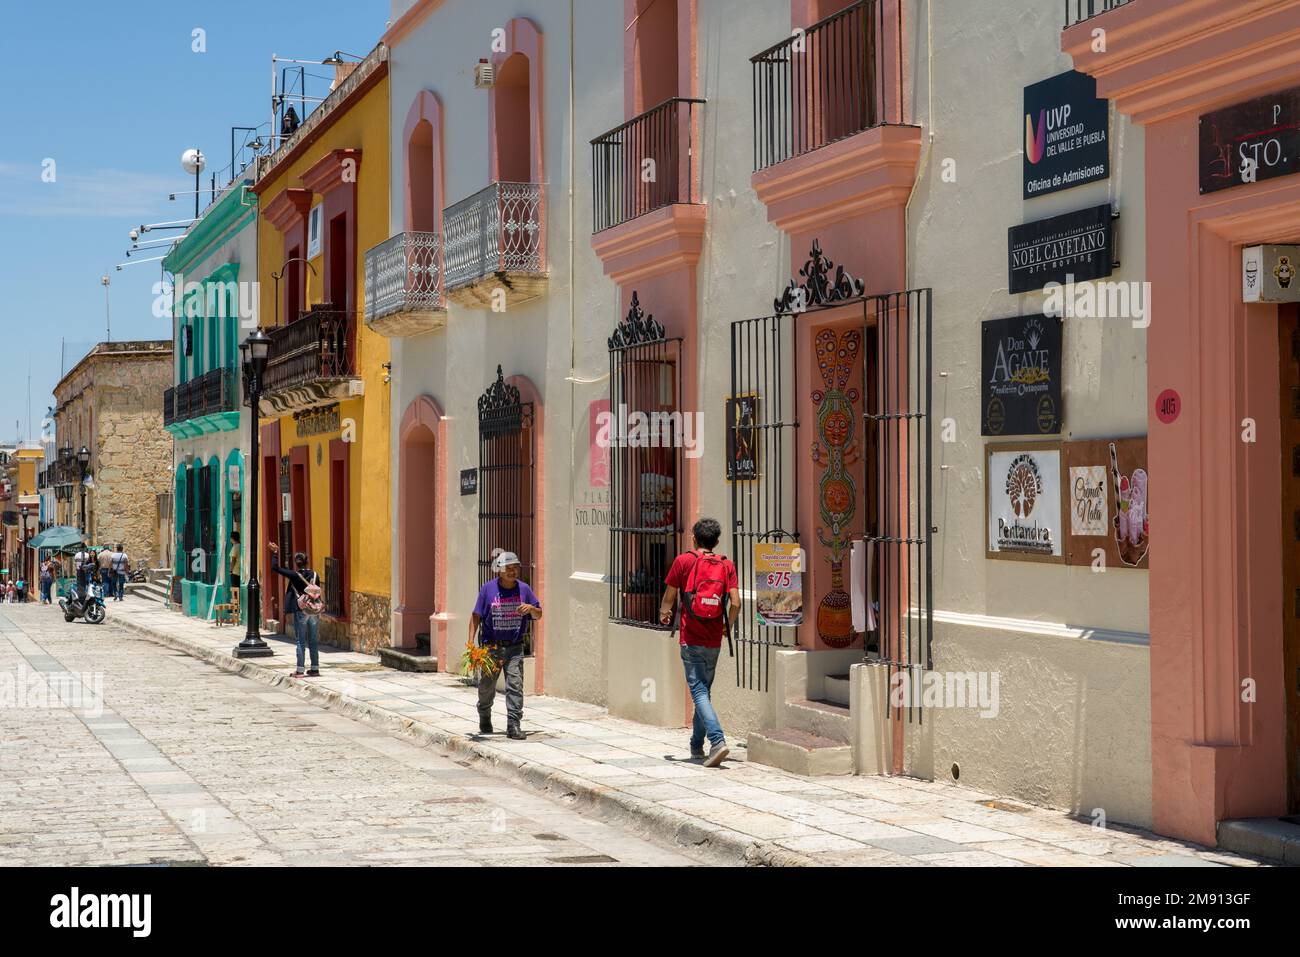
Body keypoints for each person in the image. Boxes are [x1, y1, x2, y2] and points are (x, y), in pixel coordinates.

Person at [659, 517, 741, 768]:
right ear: (716, 541)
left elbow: (670, 595)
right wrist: (728, 625)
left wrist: (664, 613)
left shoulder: (683, 561)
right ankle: (697, 744)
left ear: (694, 538)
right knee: (703, 690)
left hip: (691, 637)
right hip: (714, 639)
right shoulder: (726, 565)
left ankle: (717, 740)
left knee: (698, 691)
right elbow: (736, 603)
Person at [469, 550, 541, 740]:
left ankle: (513, 725)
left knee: (515, 686)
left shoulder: (524, 589)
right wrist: (471, 643)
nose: (512, 571)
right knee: (486, 686)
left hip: (515, 647)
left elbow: (538, 614)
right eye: (508, 568)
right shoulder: (487, 589)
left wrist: (532, 609)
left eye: (515, 567)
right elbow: (476, 616)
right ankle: (484, 714)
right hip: (491, 647)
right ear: (499, 571)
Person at [269, 542, 321, 678]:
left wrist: (275, 553)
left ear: (296, 563)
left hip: (301, 610)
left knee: (300, 640)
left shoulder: (294, 575)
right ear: (307, 561)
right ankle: (315, 668)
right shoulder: (316, 575)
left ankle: (300, 669)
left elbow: (275, 568)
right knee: (313, 639)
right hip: (314, 610)